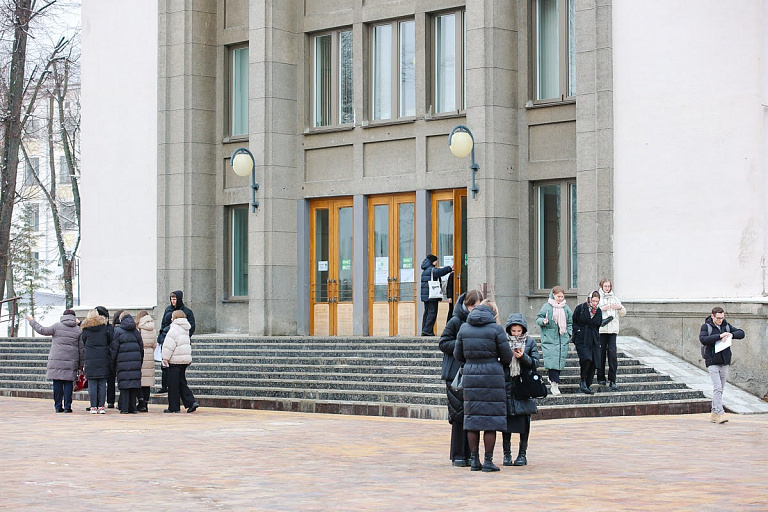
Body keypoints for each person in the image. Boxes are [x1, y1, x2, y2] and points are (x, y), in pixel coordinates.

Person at [454, 300, 513, 472]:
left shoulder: (464, 328)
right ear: (492, 313)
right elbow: (507, 356)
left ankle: (474, 461)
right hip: (492, 375)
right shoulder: (496, 329)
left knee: (472, 419)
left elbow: (458, 354)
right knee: (490, 420)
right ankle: (488, 461)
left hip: (471, 375)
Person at [438, 289, 483, 467]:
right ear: (467, 305)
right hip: (455, 374)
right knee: (458, 415)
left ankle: (472, 454)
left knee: (472, 415)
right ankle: (458, 454)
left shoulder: (480, 322)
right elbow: (443, 342)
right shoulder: (455, 320)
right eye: (474, 306)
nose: (476, 310)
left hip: (473, 371)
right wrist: (462, 343)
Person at [27, 309, 83, 413]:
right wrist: (81, 364)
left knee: (57, 382)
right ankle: (67, 407)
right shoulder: (78, 330)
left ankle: (58, 406)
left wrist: (32, 321)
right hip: (71, 361)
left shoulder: (57, 326)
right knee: (68, 384)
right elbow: (81, 349)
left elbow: (42, 330)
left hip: (56, 360)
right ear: (74, 318)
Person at [502, 313, 539, 466]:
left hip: (524, 387)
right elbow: (499, 361)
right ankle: (507, 454)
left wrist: (523, 357)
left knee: (524, 422)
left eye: (518, 331)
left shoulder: (530, 342)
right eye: (513, 331)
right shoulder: (503, 342)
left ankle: (522, 454)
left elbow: (535, 363)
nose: (516, 333)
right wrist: (507, 356)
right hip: (507, 386)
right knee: (506, 423)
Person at [699, 307, 745, 424]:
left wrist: (729, 334)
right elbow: (703, 339)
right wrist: (720, 336)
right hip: (712, 361)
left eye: (722, 318)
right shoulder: (706, 327)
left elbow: (741, 333)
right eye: (718, 318)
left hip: (724, 361)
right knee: (717, 387)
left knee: (720, 389)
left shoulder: (726, 325)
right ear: (713, 316)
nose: (720, 320)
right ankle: (720, 413)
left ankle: (714, 413)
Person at [157, 290, 196, 393]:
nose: (172, 301)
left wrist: (183, 337)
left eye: (174, 299)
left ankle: (178, 389)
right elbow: (163, 325)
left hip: (180, 344)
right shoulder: (168, 310)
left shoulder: (187, 312)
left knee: (179, 371)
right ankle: (164, 386)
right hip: (168, 340)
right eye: (171, 299)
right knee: (165, 366)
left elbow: (191, 327)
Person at [535, 286, 572, 396]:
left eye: (562, 296)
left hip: (562, 338)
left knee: (559, 363)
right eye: (558, 296)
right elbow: (538, 319)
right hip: (549, 339)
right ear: (553, 295)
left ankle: (553, 380)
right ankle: (554, 384)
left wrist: (568, 334)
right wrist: (543, 321)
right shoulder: (547, 307)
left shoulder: (566, 308)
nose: (560, 298)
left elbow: (570, 322)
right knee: (552, 362)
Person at [161, 310, 200, 413]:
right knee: (181, 382)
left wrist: (165, 358)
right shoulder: (185, 329)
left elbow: (169, 345)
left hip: (175, 360)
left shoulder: (174, 329)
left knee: (173, 385)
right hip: (184, 360)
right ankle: (190, 402)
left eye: (172, 317)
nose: (171, 319)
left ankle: (174, 407)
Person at [111, 311, 143, 414]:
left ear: (121, 320)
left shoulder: (118, 331)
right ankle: (133, 408)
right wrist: (139, 361)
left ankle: (124, 408)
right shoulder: (136, 331)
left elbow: (114, 349)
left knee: (124, 386)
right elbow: (141, 348)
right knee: (133, 385)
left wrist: (113, 363)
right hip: (135, 362)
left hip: (122, 363)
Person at [80, 309, 112, 414]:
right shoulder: (104, 328)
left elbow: (84, 342)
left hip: (91, 359)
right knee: (102, 384)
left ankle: (93, 406)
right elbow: (109, 341)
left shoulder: (85, 330)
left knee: (92, 384)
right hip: (103, 358)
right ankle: (101, 406)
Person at [572, 291, 603, 395]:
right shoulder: (581, 308)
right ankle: (583, 381)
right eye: (593, 300)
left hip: (594, 338)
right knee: (586, 358)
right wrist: (577, 332)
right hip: (582, 338)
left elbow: (598, 325)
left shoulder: (598, 311)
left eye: (597, 301)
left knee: (594, 361)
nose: (595, 303)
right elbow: (574, 321)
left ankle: (587, 384)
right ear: (589, 299)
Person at [597, 278, 626, 390]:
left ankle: (612, 379)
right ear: (601, 286)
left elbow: (623, 313)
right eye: (605, 286)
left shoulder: (615, 298)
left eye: (609, 286)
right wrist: (602, 309)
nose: (607, 288)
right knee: (601, 354)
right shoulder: (598, 298)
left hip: (613, 330)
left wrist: (619, 307)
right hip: (601, 330)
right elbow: (592, 311)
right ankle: (601, 377)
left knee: (612, 355)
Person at [420, 255, 453, 336]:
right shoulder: (432, 270)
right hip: (432, 295)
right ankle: (427, 330)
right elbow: (440, 271)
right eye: (436, 261)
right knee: (432, 312)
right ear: (433, 261)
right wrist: (450, 268)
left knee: (427, 313)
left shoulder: (425, 270)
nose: (437, 262)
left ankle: (425, 329)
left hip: (426, 296)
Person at [135, 310, 157, 412]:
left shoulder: (139, 328)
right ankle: (146, 403)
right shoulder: (153, 329)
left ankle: (141, 402)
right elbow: (155, 344)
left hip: (141, 354)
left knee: (140, 380)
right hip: (150, 355)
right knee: (147, 381)